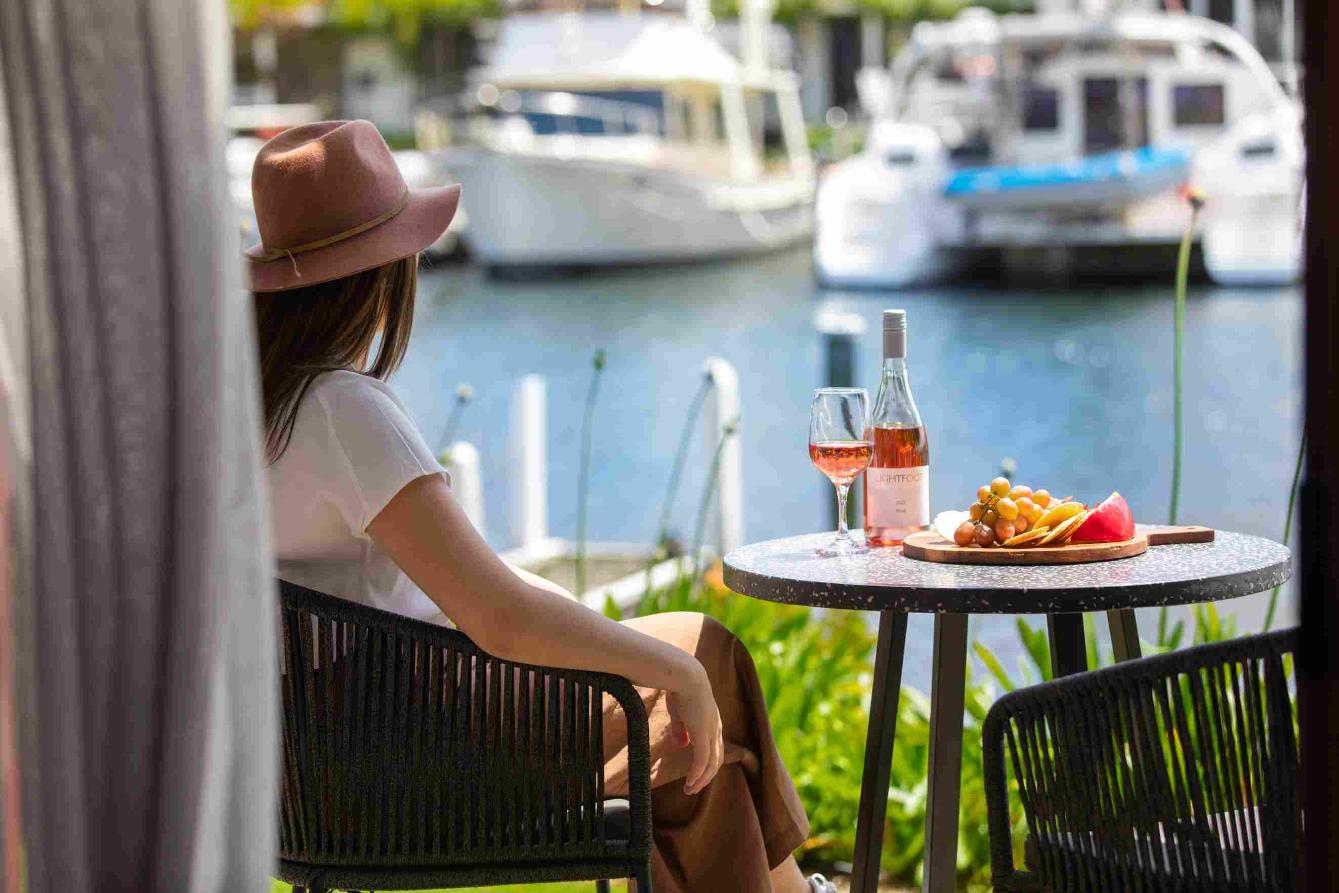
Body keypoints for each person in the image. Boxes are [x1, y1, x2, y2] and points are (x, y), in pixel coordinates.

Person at [250, 120, 830, 893]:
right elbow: (502, 619)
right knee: (702, 657)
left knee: (693, 757)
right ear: (385, 270)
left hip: (317, 773)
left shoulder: (250, 414)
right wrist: (673, 671)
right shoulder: (342, 409)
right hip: (410, 756)